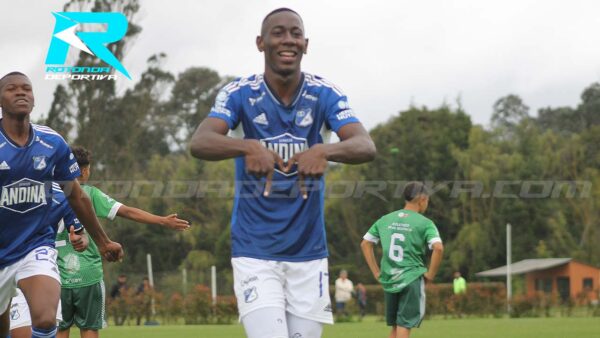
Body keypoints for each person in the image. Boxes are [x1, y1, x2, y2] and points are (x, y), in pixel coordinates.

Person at [189, 8, 376, 338]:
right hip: (254, 250)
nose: (288, 40)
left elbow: (365, 145)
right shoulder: (239, 93)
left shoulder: (325, 94)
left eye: (295, 33)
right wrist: (248, 147)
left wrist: (324, 151)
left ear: (306, 44)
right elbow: (201, 141)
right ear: (261, 43)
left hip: (309, 253)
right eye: (278, 33)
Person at [0, 71, 123, 338]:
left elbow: (76, 195)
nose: (21, 93)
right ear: (0, 99)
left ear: (33, 99)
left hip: (33, 246)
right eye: (12, 89)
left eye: (26, 89)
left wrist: (102, 241)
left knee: (45, 320)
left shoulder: (52, 142)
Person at [57, 145, 190, 337]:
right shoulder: (90, 194)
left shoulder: (51, 194)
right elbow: (127, 211)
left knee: (60, 330)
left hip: (58, 275)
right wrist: (162, 221)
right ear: (85, 171)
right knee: (89, 329)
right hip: (88, 275)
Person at [361, 182, 444, 338]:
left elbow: (365, 243)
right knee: (404, 325)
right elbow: (438, 248)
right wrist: (430, 276)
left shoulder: (385, 219)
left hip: (389, 278)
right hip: (411, 278)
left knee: (395, 327)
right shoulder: (425, 223)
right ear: (423, 199)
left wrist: (376, 272)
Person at [10, 185, 89, 338]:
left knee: (45, 322)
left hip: (38, 257)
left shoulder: (62, 194)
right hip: (6, 260)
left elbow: (82, 235)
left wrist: (81, 241)